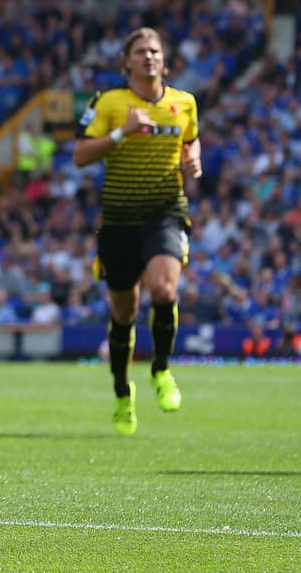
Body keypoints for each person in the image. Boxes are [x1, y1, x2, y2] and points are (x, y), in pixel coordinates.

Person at [73, 26, 201, 436]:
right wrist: (122, 132)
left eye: (155, 51)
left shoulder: (184, 103)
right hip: (119, 220)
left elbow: (191, 141)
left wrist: (192, 159)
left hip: (165, 210)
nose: (149, 57)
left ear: (164, 60)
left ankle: (161, 370)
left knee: (164, 290)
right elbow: (79, 155)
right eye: (141, 51)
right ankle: (122, 396)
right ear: (126, 61)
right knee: (124, 314)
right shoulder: (109, 102)